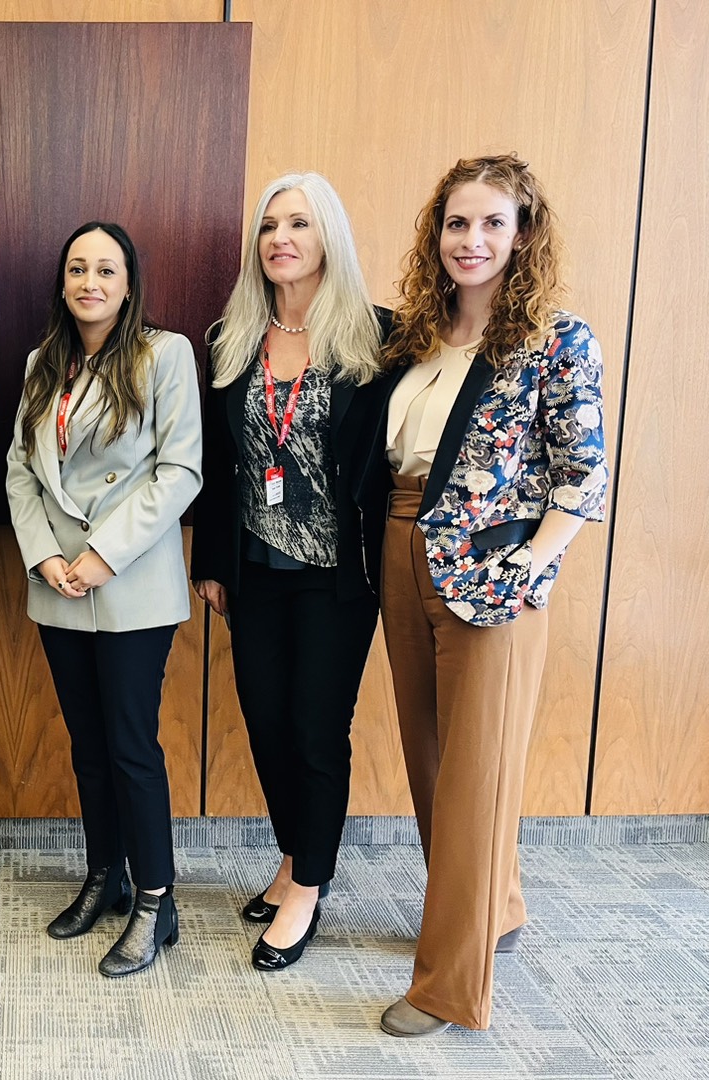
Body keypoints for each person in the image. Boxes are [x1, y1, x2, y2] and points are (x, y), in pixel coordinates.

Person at [374, 155, 607, 1036]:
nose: (471, 241)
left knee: (475, 777)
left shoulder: (555, 336)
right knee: (432, 763)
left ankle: (446, 986)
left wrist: (533, 561)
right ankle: (494, 906)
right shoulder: (418, 337)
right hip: (403, 554)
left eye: (492, 224)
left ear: (524, 235)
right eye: (456, 224)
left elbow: (584, 470)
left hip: (495, 575)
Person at [189, 174, 386, 971]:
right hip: (255, 569)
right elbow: (216, 465)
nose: (281, 238)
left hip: (339, 577)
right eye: (270, 225)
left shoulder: (378, 339)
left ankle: (308, 884)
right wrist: (210, 563)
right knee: (267, 725)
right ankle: (294, 855)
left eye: (299, 223)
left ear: (326, 236)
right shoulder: (230, 340)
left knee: (315, 730)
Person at [5, 221, 202, 978]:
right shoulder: (41, 363)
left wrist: (100, 556)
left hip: (130, 585)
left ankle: (157, 900)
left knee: (129, 746)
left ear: (129, 283)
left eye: (106, 270)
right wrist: (48, 556)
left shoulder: (165, 354)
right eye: (78, 269)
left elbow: (179, 472)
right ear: (63, 282)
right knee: (88, 747)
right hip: (57, 584)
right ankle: (104, 875)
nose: (91, 281)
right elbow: (21, 471)